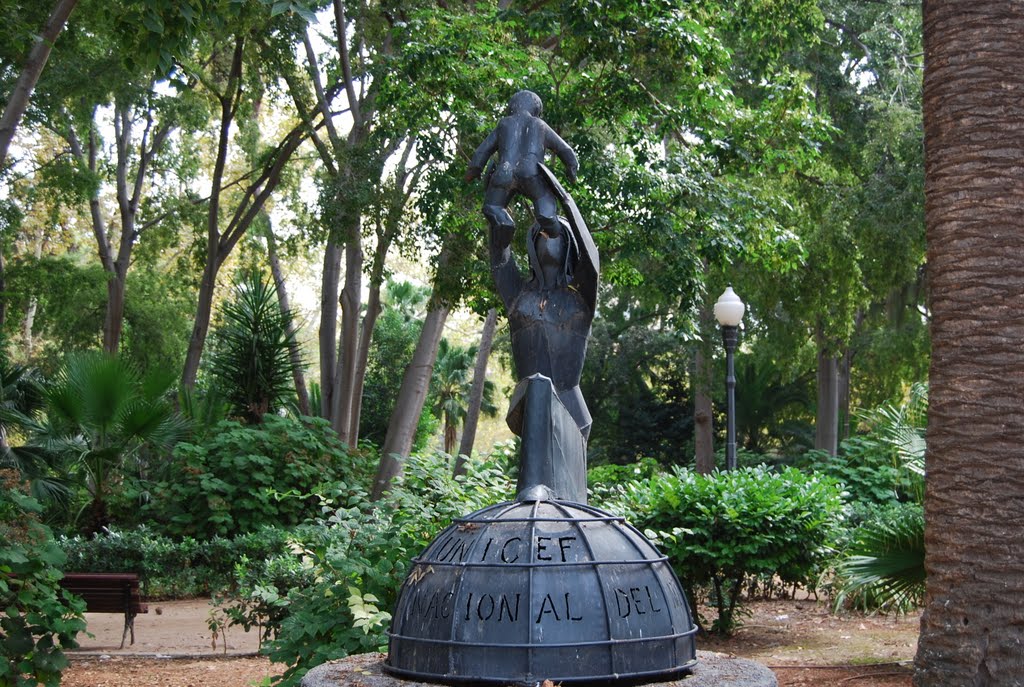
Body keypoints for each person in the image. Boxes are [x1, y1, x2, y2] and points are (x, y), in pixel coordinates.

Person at [465, 90, 579, 239]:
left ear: (512, 106)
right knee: (544, 203)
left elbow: (483, 150)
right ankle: (551, 225)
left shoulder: (504, 124)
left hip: (505, 172)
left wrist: (473, 171)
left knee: (491, 207)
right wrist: (571, 170)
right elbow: (565, 150)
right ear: (536, 109)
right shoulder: (540, 125)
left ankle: (505, 223)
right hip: (531, 173)